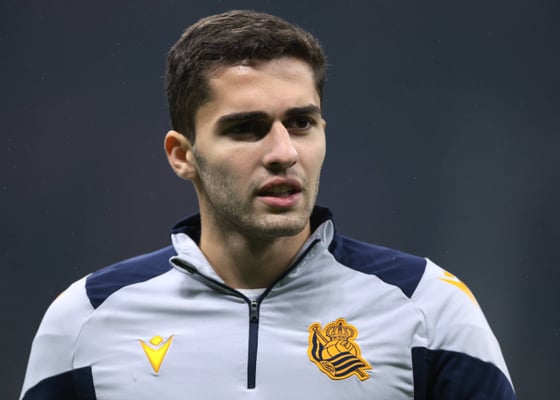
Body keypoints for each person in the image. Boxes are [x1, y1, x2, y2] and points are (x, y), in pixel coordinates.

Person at [20, 9, 516, 399]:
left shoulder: (428, 308)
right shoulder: (86, 318)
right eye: (246, 128)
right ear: (182, 155)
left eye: (301, 123)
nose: (284, 152)